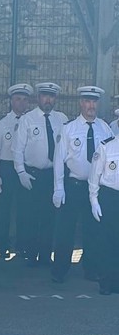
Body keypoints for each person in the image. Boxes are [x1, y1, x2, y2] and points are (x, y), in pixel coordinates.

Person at [52, 86, 112, 283]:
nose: (91, 106)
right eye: (87, 101)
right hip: (74, 185)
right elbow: (59, 159)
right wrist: (59, 188)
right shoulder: (69, 128)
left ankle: (91, 269)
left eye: (94, 102)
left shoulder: (105, 128)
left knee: (93, 230)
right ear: (81, 103)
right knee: (65, 231)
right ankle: (60, 270)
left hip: (95, 189)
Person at [12, 82, 68, 268]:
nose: (48, 100)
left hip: (52, 174)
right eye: (45, 96)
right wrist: (21, 171)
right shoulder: (28, 119)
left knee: (49, 216)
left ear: (55, 99)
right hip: (32, 174)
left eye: (51, 97)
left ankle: (45, 254)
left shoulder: (61, 119)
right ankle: (30, 253)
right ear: (38, 98)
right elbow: (17, 148)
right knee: (31, 216)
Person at [0, 83, 33, 258]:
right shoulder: (2, 124)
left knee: (25, 208)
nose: (21, 103)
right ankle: (3, 243)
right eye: (17, 99)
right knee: (4, 208)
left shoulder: (31, 122)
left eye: (24, 100)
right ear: (11, 101)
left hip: (25, 168)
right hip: (7, 168)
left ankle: (22, 243)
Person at [88, 130, 119, 294]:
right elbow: (94, 175)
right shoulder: (107, 146)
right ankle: (106, 282)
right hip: (111, 197)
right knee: (108, 242)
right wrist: (94, 200)